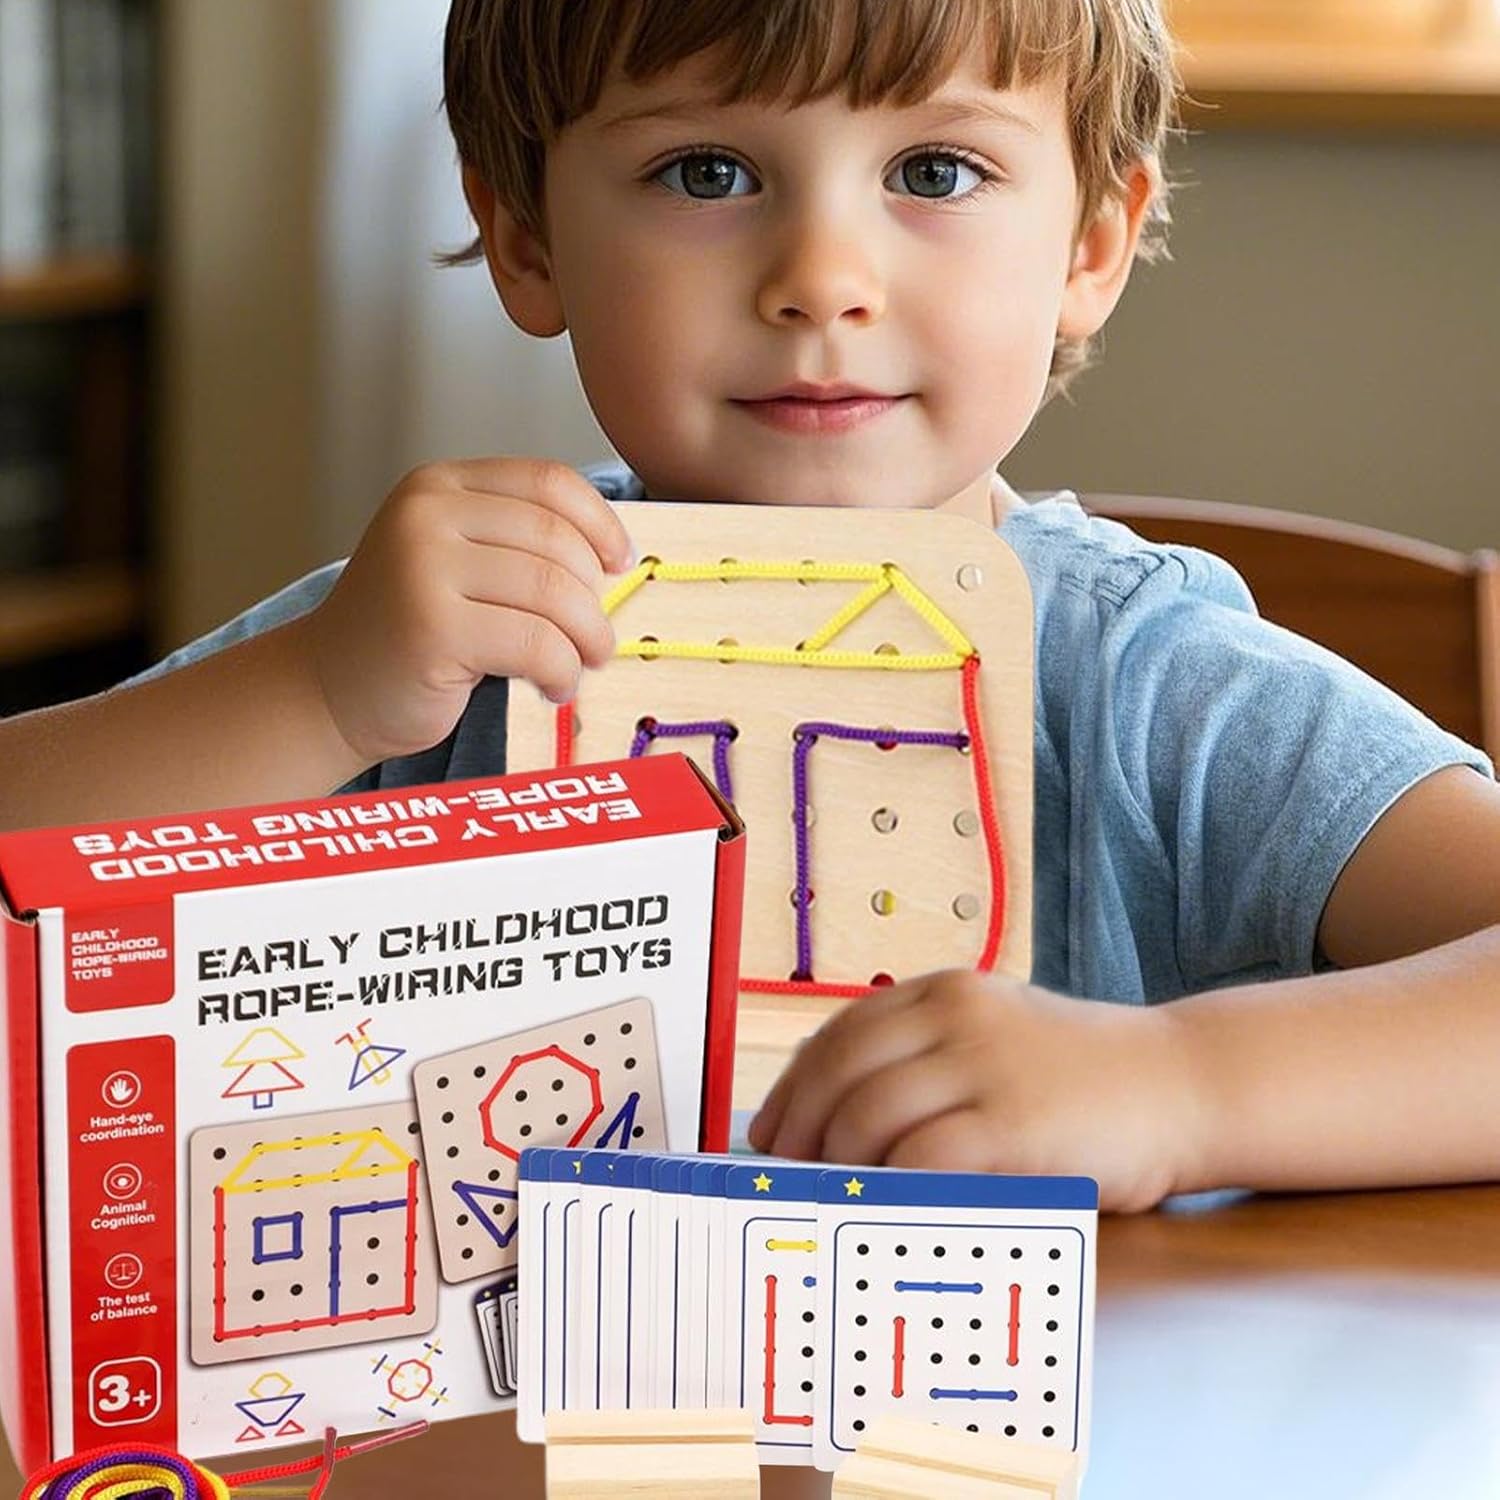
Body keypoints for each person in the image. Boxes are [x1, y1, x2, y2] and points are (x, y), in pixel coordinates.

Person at [3, 0, 1499, 1215]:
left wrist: (1180, 1087)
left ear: (1091, 247)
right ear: (526, 239)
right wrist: (318, 696)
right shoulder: (440, 631)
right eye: (708, 173)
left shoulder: (1154, 691)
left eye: (935, 173)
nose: (821, 281)